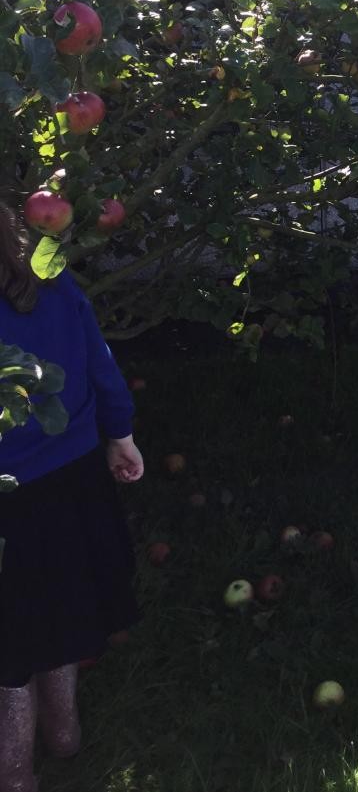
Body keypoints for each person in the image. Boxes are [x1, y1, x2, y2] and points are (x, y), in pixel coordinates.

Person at [0, 200, 143, 792]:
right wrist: (120, 435)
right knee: (60, 607)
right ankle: (63, 733)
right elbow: (98, 361)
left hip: (9, 499)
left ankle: (14, 770)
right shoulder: (52, 284)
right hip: (74, 475)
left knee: (9, 634)